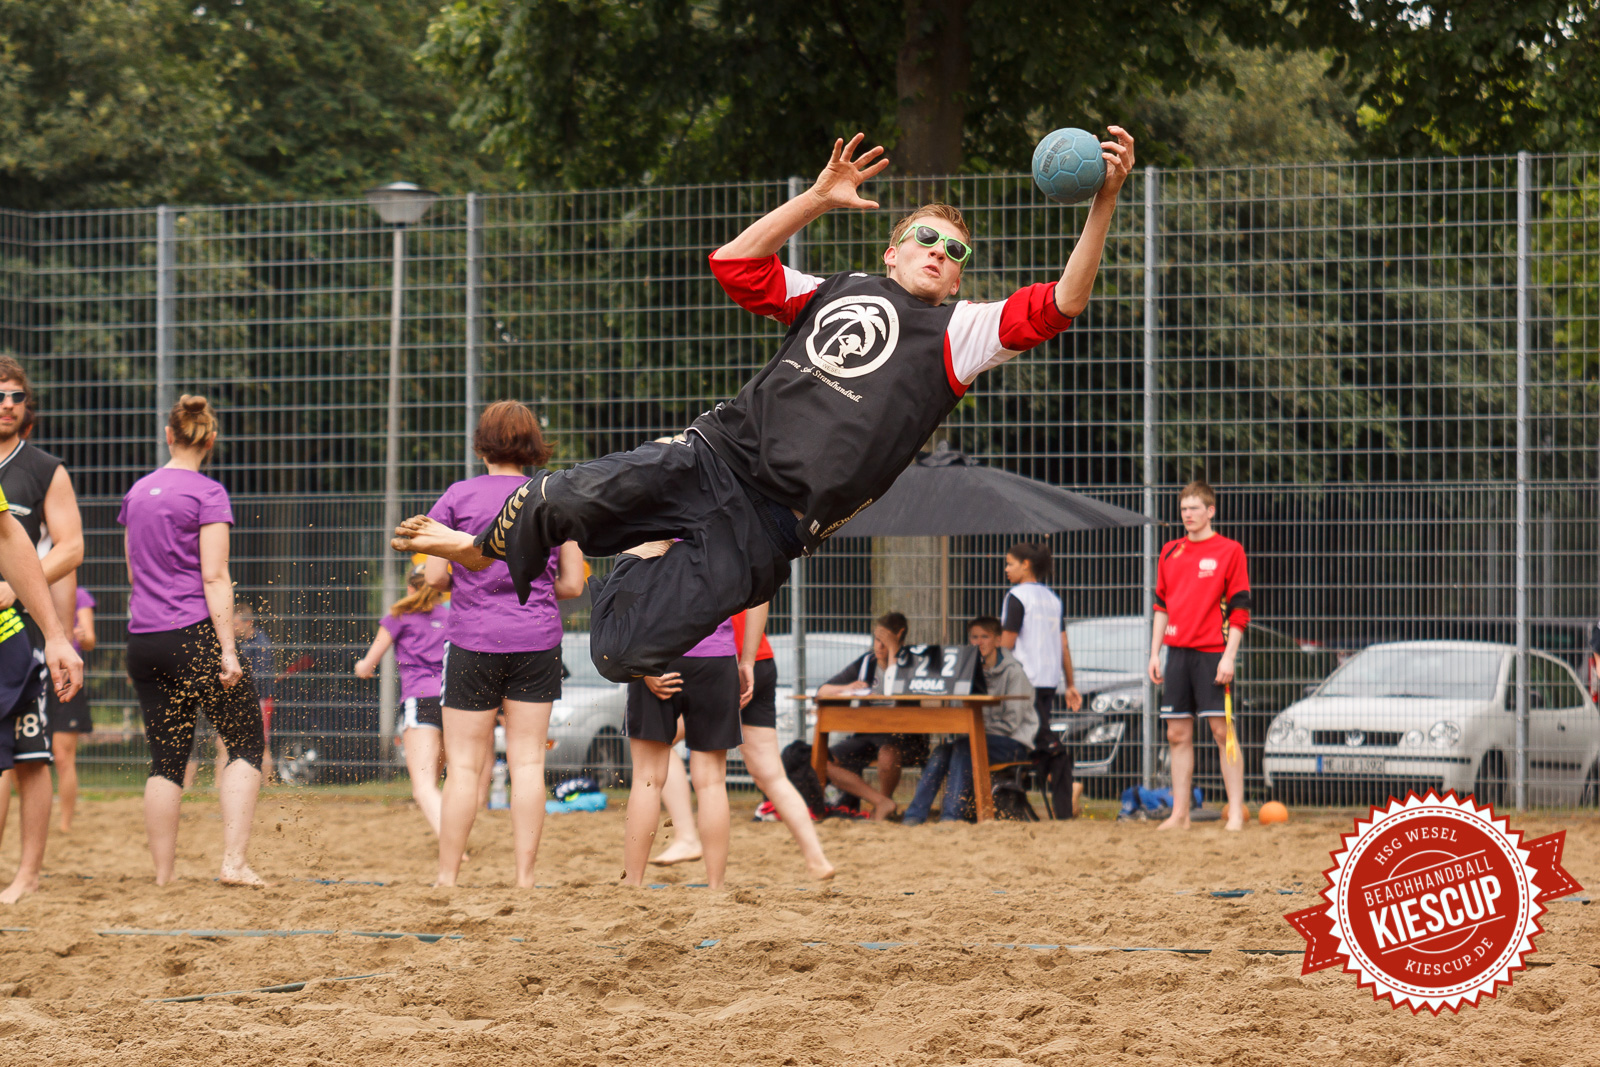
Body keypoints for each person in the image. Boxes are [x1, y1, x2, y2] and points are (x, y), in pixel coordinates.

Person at [391, 128, 1137, 687]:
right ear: (894, 251)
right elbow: (736, 263)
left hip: (769, 527)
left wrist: (1102, 200)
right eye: (925, 237)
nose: (940, 251)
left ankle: (640, 551)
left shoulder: (963, 331)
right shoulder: (834, 290)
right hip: (712, 457)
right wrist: (815, 197)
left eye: (956, 250)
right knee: (554, 496)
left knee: (619, 654)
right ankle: (486, 541)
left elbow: (1065, 302)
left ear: (956, 279)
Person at [421, 400, 585, 888]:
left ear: (482, 443)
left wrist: (473, 580)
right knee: (528, 762)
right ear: (532, 444)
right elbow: (574, 585)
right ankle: (525, 878)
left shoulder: (455, 497)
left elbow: (433, 576)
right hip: (536, 640)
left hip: (473, 641)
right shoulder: (554, 497)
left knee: (466, 767)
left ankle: (448, 878)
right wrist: (530, 587)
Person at [120, 395, 266, 886]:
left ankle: (163, 876)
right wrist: (227, 648)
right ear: (210, 439)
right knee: (245, 743)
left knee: (165, 759)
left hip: (144, 638)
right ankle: (234, 863)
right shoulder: (207, 493)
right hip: (193, 635)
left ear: (169, 434)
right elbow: (215, 576)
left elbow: (134, 574)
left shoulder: (137, 493)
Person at [649, 604, 835, 880]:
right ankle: (817, 859)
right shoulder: (744, 560)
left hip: (722, 661)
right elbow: (760, 597)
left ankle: (687, 836)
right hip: (759, 660)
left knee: (659, 747)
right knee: (771, 775)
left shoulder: (698, 561)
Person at [1148, 479, 1252, 832]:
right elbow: (1161, 605)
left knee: (1223, 732)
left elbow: (1239, 609)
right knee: (1176, 734)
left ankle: (1235, 811)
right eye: (1183, 509)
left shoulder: (1230, 550)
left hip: (1212, 653)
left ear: (1210, 511)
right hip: (1177, 653)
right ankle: (1180, 814)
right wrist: (1155, 653)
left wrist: (1229, 656)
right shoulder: (1170, 551)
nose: (1187, 515)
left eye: (1194, 508)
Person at [621, 610, 740, 888]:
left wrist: (640, 664)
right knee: (712, 782)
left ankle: (633, 885)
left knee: (647, 779)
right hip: (716, 656)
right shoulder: (730, 561)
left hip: (658, 654)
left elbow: (633, 589)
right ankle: (716, 887)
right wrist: (747, 661)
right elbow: (759, 590)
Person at [901, 616, 1037, 825]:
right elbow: (958, 714)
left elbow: (1012, 723)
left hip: (1014, 743)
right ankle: (913, 816)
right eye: (974, 637)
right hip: (976, 739)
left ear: (998, 641)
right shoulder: (965, 672)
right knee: (940, 751)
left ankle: (951, 817)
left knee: (965, 747)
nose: (979, 642)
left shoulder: (1014, 673)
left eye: (985, 637)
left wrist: (973, 731)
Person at [355, 567, 450, 836]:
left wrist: (362, 666)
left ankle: (454, 841)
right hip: (452, 701)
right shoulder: (450, 616)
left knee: (422, 788)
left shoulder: (398, 616)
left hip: (421, 700)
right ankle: (453, 835)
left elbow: (369, 663)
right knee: (437, 781)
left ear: (410, 588)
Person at [814, 611, 914, 819]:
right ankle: (881, 802)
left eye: (884, 642)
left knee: (888, 753)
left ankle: (883, 808)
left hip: (902, 737)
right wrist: (848, 687)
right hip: (867, 734)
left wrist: (895, 650)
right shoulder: (866, 663)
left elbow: (895, 691)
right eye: (876, 640)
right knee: (823, 759)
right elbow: (822, 691)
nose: (878, 646)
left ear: (900, 636)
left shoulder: (912, 662)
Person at [999, 541, 1081, 746]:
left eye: (1010, 564)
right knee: (1037, 732)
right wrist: (1070, 684)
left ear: (1025, 564)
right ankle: (1048, 773)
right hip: (1048, 681)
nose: (1006, 569)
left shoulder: (1017, 596)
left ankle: (1059, 770)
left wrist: (990, 668)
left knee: (1031, 737)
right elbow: (1064, 644)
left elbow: (1007, 642)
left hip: (1024, 681)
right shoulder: (1052, 598)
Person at [48, 584, 95, 832]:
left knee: (63, 755)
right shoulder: (21, 589)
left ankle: (65, 823)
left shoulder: (78, 594)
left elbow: (89, 640)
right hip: (31, 674)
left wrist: (83, 636)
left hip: (66, 676)